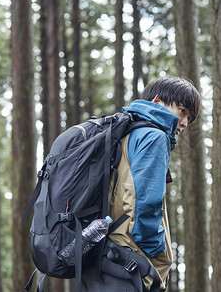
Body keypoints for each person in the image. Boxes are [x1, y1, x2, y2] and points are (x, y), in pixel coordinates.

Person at [82, 76, 201, 291]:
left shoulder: (128, 133)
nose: (184, 123)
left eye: (189, 118)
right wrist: (156, 249)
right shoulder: (154, 137)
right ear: (157, 102)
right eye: (182, 111)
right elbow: (144, 200)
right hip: (131, 259)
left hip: (106, 254)